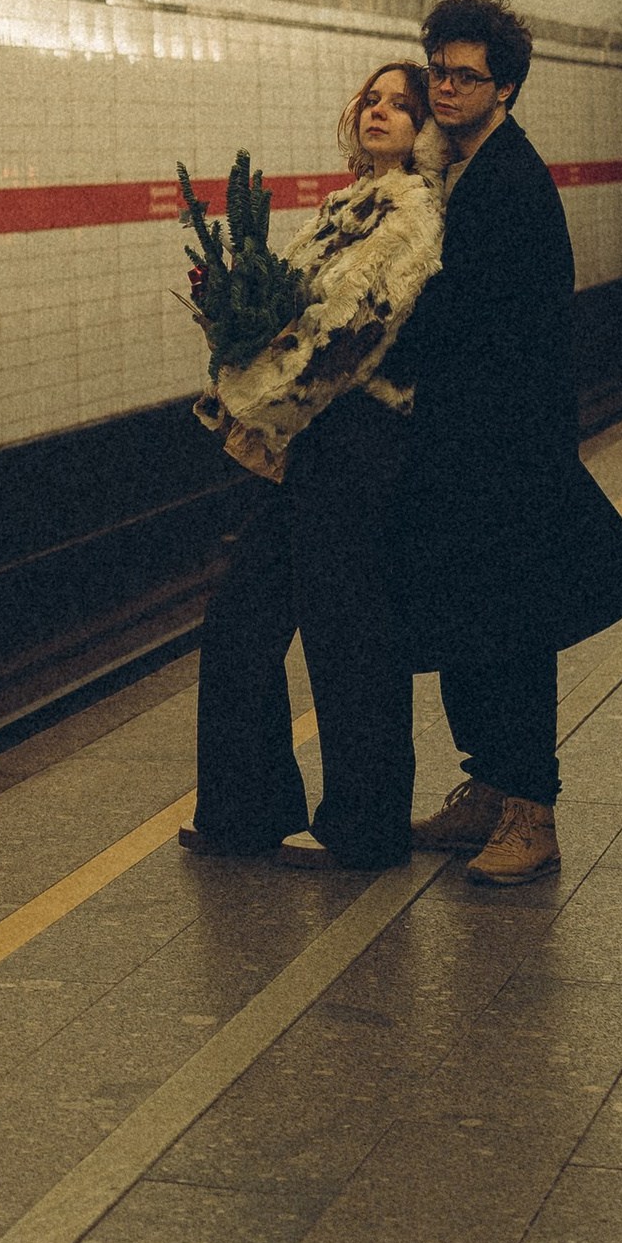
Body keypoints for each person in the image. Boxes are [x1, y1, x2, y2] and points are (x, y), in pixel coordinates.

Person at [390, 0, 622, 886]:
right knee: (468, 623)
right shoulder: (457, 170)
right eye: (438, 71)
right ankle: (487, 788)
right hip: (463, 443)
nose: (445, 88)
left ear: (505, 88)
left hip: (505, 449)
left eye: (466, 77)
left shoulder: (510, 181)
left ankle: (531, 813)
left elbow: (476, 319)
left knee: (511, 632)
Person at [181, 60, 444, 869]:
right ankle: (246, 809)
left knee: (349, 640)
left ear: (425, 130)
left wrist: (255, 398)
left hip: (358, 443)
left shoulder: (412, 215)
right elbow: (292, 314)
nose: (380, 112)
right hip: (309, 441)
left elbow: (348, 335)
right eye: (372, 98)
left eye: (402, 105)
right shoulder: (346, 207)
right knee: (240, 622)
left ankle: (366, 828)